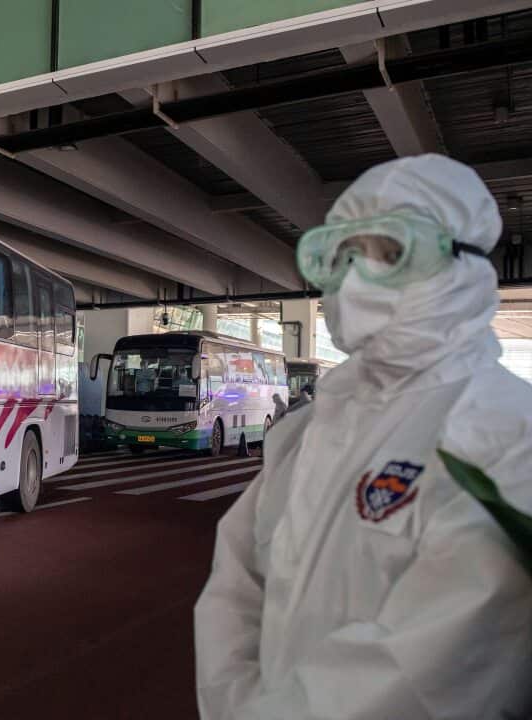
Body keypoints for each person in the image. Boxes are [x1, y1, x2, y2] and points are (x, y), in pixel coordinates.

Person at [195, 155, 532, 719]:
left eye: (390, 253)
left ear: (461, 265)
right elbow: (234, 586)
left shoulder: (508, 436)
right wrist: (235, 704)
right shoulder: (305, 432)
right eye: (343, 256)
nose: (354, 281)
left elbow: (431, 675)